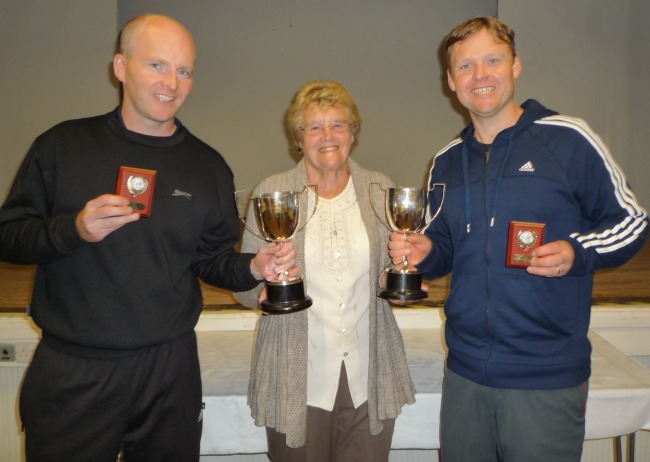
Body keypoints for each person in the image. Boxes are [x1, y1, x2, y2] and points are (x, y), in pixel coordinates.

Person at [0, 14, 295, 462]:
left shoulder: (207, 165)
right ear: (120, 67)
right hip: (75, 367)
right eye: (157, 65)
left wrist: (253, 268)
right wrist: (72, 229)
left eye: (184, 71)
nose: (172, 83)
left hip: (169, 369)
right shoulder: (62, 146)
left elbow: (210, 259)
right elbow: (8, 237)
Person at [388, 16, 649, 462]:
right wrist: (424, 254)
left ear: (516, 65)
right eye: (466, 66)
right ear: (451, 81)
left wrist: (576, 252)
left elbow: (632, 221)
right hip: (466, 373)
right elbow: (443, 246)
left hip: (545, 375)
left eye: (493, 60)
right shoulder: (446, 161)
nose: (480, 75)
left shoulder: (568, 139)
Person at [235, 80, 415, 461]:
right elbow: (243, 286)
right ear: (298, 138)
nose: (328, 135)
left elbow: (389, 270)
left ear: (354, 133)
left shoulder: (378, 189)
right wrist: (263, 283)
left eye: (338, 124)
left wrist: (399, 273)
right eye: (314, 127)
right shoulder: (273, 191)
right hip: (296, 375)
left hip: (369, 375)